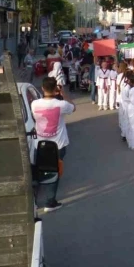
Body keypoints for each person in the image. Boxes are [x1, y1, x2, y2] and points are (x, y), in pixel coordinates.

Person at [31, 77, 76, 212]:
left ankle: (35, 202)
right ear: (56, 89)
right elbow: (73, 107)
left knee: (40, 172)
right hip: (58, 144)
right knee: (54, 173)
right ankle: (50, 202)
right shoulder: (62, 105)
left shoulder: (34, 104)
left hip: (40, 144)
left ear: (42, 88)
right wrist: (64, 94)